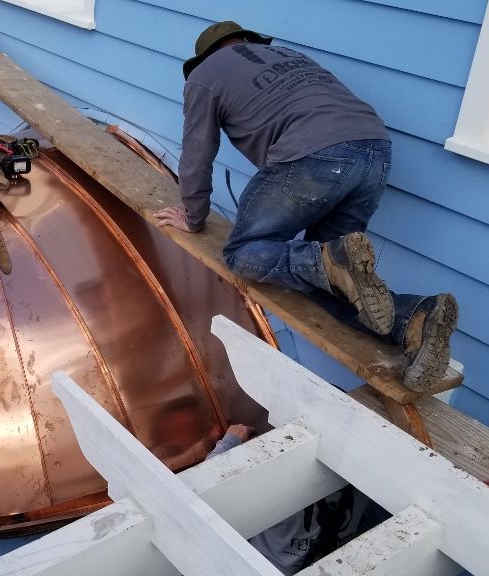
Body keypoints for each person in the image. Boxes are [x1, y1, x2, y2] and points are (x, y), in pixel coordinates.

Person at [155, 21, 458, 391]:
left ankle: (332, 262)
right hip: (376, 151)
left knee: (243, 253)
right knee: (324, 277)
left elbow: (198, 152)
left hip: (315, 155)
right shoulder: (291, 57)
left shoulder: (204, 76)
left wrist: (194, 216)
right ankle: (412, 318)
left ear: (205, 56)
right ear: (248, 42)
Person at [207, 425, 369, 574]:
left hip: (260, 565)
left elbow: (207, 485)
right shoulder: (368, 477)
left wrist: (231, 440)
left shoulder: (273, 484)